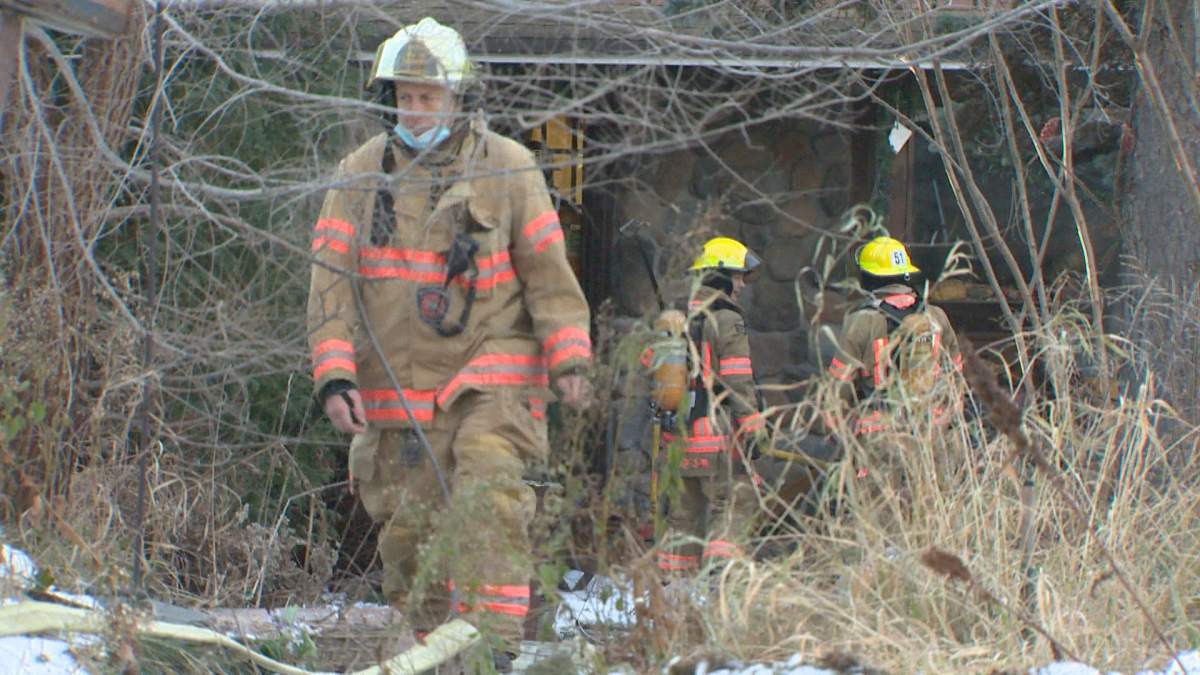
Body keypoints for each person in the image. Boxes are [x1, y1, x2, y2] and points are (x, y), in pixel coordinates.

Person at [306, 17, 591, 664]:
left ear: (458, 97)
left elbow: (550, 276)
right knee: (412, 540)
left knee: (489, 490)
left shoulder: (509, 169)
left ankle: (493, 652)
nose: (415, 108)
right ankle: (434, 655)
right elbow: (329, 287)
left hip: (494, 373)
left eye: (428, 96)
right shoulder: (358, 178)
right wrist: (335, 375)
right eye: (405, 95)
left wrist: (569, 355)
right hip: (400, 390)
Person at [653, 236, 766, 575]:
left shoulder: (673, 320)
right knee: (733, 504)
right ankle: (722, 584)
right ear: (719, 276)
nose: (742, 283)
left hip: (677, 441)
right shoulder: (728, 321)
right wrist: (754, 429)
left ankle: (675, 594)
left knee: (681, 520)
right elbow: (738, 382)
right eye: (737, 276)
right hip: (716, 440)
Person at [825, 236, 962, 436]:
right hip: (930, 434)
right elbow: (955, 377)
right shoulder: (936, 317)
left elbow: (839, 389)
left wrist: (839, 432)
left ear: (868, 277)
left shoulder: (862, 321)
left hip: (881, 437)